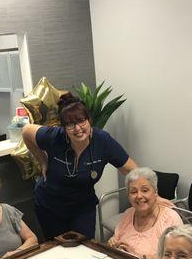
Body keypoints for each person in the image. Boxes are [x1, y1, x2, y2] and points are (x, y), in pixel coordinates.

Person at [22, 92, 137, 240]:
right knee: (58, 248)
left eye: (81, 121)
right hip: (50, 205)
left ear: (89, 120)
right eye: (70, 124)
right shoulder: (53, 137)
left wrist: (155, 195)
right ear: (63, 127)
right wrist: (42, 160)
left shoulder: (103, 141)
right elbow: (26, 132)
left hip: (82, 207)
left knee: (84, 246)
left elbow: (133, 171)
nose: (77, 128)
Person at [108, 167, 183, 259]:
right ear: (128, 196)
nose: (139, 196)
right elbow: (116, 237)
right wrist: (113, 242)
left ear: (155, 192)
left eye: (145, 190)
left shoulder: (170, 219)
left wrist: (139, 257)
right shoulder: (128, 214)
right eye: (133, 192)